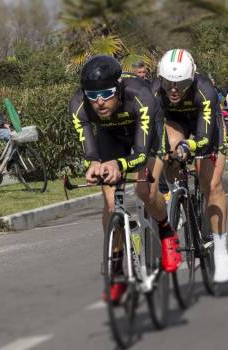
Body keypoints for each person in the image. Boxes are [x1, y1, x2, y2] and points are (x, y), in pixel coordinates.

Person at [70, 55, 180, 301]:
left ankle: (166, 231)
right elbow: (90, 150)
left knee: (146, 192)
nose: (99, 102)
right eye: (92, 95)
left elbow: (140, 156)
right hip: (111, 136)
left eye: (107, 93)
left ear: (119, 88)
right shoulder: (79, 104)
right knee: (110, 204)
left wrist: (120, 164)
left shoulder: (141, 96)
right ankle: (117, 266)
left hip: (146, 136)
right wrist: (93, 165)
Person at [152, 49, 228, 283]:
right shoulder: (155, 92)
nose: (173, 89)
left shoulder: (205, 91)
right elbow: (153, 129)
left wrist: (191, 148)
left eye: (181, 83)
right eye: (168, 83)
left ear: (192, 79)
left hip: (205, 128)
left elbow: (205, 137)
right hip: (176, 124)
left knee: (212, 186)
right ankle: (177, 196)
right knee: (168, 149)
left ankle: (220, 249)